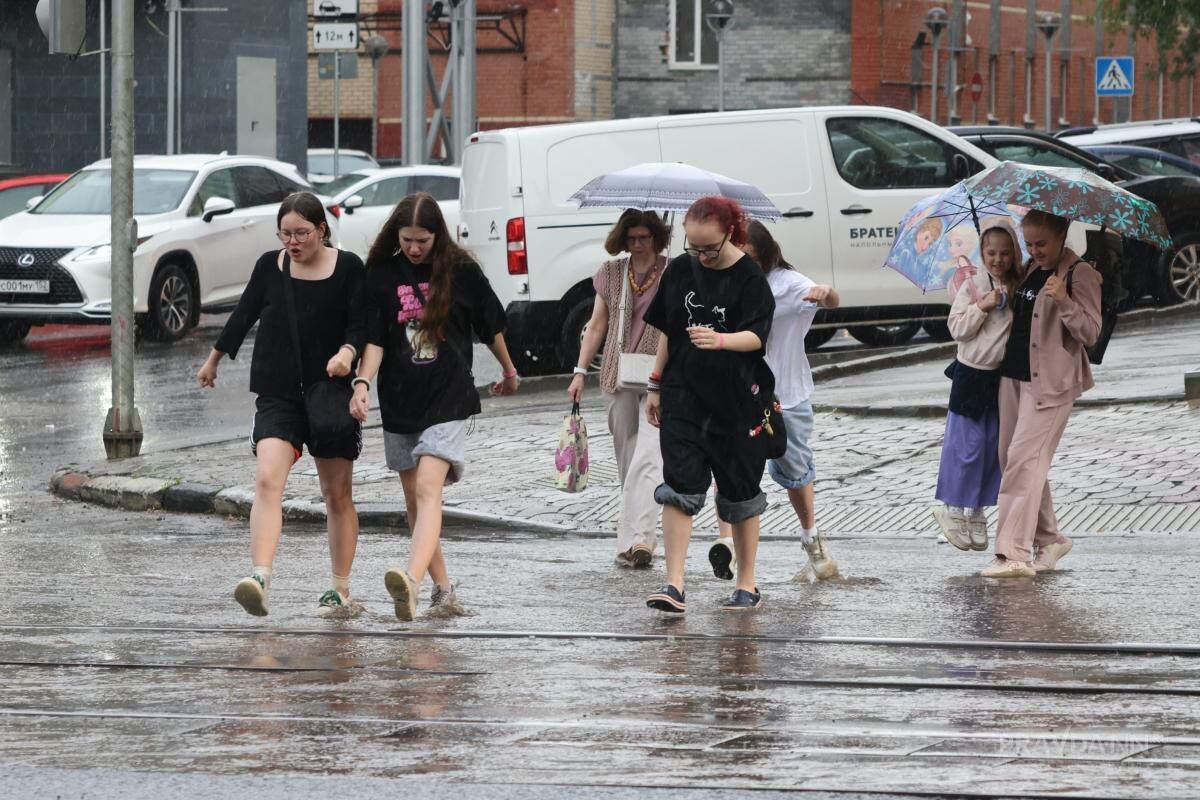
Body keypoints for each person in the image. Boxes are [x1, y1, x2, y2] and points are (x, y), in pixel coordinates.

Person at [350, 192, 520, 620]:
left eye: (422, 240)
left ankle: (410, 579)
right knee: (416, 502)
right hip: (400, 398)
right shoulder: (383, 273)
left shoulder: (459, 271)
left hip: (448, 395)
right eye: (407, 239)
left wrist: (509, 370)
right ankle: (444, 591)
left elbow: (491, 324)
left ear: (436, 234)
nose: (414, 248)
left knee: (428, 489)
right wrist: (362, 383)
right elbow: (374, 339)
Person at [196, 191, 365, 618]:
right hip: (279, 392)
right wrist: (214, 360)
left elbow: (362, 323)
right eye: (285, 233)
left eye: (302, 233)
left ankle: (340, 588)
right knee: (268, 480)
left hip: (329, 392)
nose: (293, 242)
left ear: (322, 230)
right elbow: (244, 314)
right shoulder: (269, 267)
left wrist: (348, 353)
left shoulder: (348, 268)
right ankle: (259, 576)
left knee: (336, 494)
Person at [642, 196, 775, 612]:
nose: (700, 256)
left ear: (731, 234)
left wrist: (720, 340)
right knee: (678, 485)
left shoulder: (750, 278)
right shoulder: (680, 270)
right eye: (693, 247)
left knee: (740, 493)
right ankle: (674, 584)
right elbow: (667, 331)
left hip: (737, 400)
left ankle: (747, 584)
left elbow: (757, 337)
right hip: (684, 394)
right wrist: (655, 383)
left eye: (709, 248)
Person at [709, 220, 841, 583]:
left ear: (765, 254)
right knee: (728, 465)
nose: (743, 263)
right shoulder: (722, 282)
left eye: (749, 256)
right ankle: (728, 545)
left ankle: (810, 536)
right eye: (737, 256)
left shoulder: (786, 284)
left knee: (794, 471)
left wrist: (825, 292)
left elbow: (831, 300)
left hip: (785, 394)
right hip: (736, 392)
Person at [984, 209, 1101, 578]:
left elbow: (1090, 332)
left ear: (1062, 234)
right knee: (1014, 459)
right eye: (1029, 244)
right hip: (1014, 378)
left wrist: (1065, 300)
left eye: (1042, 244)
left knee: (1023, 461)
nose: (1035, 251)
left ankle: (1013, 554)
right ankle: (1049, 539)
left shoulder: (1080, 273)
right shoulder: (1032, 271)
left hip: (1051, 383)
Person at [568, 209, 670, 567]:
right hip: (617, 372)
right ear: (622, 240)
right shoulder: (611, 273)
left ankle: (640, 540)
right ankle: (632, 539)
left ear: (657, 237)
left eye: (645, 237)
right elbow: (597, 326)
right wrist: (580, 370)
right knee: (628, 459)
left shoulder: (672, 272)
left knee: (650, 455)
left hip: (661, 376)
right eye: (632, 238)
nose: (639, 244)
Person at [932, 219, 1020, 551]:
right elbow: (957, 329)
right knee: (965, 448)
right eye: (991, 252)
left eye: (1005, 253)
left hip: (999, 378)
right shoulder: (972, 285)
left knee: (991, 450)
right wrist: (981, 306)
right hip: (971, 375)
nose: (998, 259)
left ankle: (979, 511)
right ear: (981, 253)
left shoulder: (1015, 287)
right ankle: (954, 509)